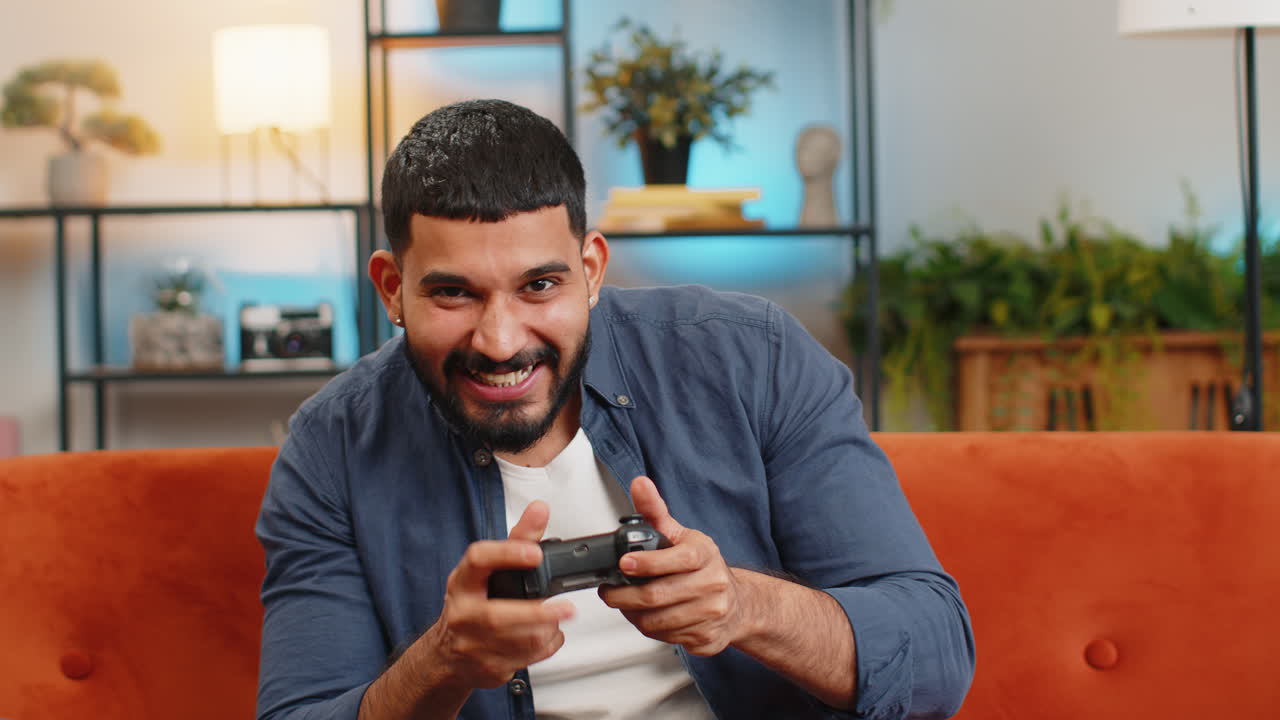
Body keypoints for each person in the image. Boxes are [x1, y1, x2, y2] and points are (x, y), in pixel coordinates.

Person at [256, 99, 975, 720]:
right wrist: (443, 662)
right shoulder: (331, 449)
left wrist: (742, 607)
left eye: (539, 285)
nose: (501, 342)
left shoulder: (752, 358)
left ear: (592, 269)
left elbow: (936, 653)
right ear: (391, 288)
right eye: (453, 293)